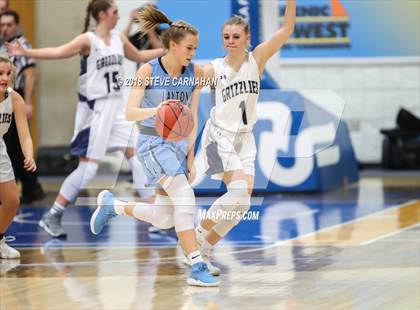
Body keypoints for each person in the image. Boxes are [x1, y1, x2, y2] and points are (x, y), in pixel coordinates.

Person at [6, 0, 164, 238]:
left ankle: (154, 213)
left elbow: (139, 55)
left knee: (136, 154)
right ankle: (54, 214)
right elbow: (58, 52)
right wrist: (26, 52)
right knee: (88, 170)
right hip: (95, 112)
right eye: (114, 12)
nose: (117, 16)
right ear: (102, 15)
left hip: (117, 109)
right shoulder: (88, 41)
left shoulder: (119, 39)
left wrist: (169, 50)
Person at [89, 5, 219, 287]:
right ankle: (196, 264)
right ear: (172, 45)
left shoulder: (194, 73)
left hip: (177, 147)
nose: (192, 53)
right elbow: (130, 112)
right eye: (188, 48)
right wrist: (158, 110)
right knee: (185, 196)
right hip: (151, 142)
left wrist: (191, 156)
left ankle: (114, 206)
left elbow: (193, 116)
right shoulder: (147, 70)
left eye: (195, 48)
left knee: (163, 218)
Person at [192, 0, 296, 274]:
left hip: (244, 138)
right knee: (237, 192)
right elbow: (192, 83)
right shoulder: (215, 68)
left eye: (236, 37)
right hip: (219, 137)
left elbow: (286, 29)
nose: (230, 41)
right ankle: (194, 239)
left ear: (247, 38)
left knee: (242, 204)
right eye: (226, 37)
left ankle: (203, 250)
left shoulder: (257, 59)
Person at [1, 10, 45, 204]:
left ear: (17, 26)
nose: (5, 28)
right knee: (11, 148)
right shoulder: (1, 46)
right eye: (2, 25)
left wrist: (27, 101)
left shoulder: (22, 44)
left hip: (13, 94)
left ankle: (31, 188)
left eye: (9, 24)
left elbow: (30, 73)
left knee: (16, 147)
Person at [0, 55, 37, 258]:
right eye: (0, 73)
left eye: (8, 74)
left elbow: (25, 135)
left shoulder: (15, 98)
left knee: (12, 202)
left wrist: (29, 156)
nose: (4, 78)